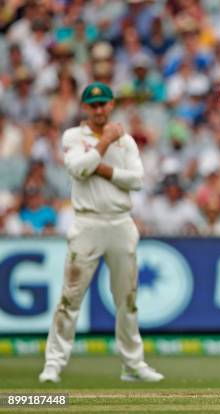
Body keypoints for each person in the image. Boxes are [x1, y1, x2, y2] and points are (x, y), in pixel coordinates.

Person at [38, 82, 163, 383]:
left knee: (127, 298)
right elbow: (78, 170)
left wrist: (104, 170)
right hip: (87, 223)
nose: (98, 109)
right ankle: (53, 364)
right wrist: (104, 142)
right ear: (84, 108)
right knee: (70, 297)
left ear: (111, 106)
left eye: (104, 104)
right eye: (93, 105)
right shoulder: (74, 136)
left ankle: (132, 364)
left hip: (121, 222)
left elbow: (136, 181)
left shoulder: (127, 141)